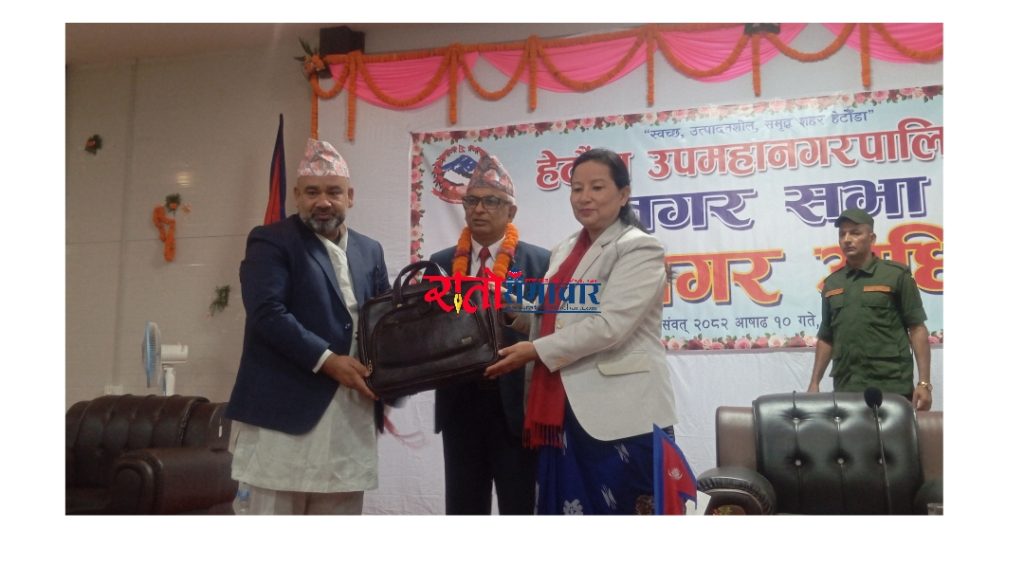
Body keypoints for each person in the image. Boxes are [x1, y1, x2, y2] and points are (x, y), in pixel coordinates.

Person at [485, 147, 678, 515]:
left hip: (623, 414)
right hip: (565, 412)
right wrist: (507, 309)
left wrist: (536, 350)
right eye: (577, 188)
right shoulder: (565, 249)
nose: (584, 197)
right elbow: (557, 316)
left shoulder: (640, 248)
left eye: (597, 187)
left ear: (623, 194)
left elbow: (610, 325)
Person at [225, 138, 390, 514]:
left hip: (350, 418)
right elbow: (267, 313)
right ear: (297, 196)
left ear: (350, 196)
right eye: (312, 192)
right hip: (283, 419)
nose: (323, 201)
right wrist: (328, 360)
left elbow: (383, 319)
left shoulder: (370, 250)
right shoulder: (272, 241)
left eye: (333, 191)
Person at [426, 152, 550, 514]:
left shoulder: (541, 263)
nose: (479, 209)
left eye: (492, 201)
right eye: (472, 201)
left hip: (517, 410)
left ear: (511, 211)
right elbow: (430, 330)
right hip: (460, 406)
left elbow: (551, 330)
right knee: (463, 508)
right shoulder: (440, 263)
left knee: (521, 508)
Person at [807, 207, 933, 411]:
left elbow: (917, 328)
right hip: (846, 387)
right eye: (842, 234)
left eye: (855, 233)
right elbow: (827, 337)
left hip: (891, 384)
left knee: (896, 434)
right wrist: (814, 383)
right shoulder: (832, 284)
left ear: (872, 238)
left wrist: (924, 383)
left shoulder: (895, 275)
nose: (847, 239)